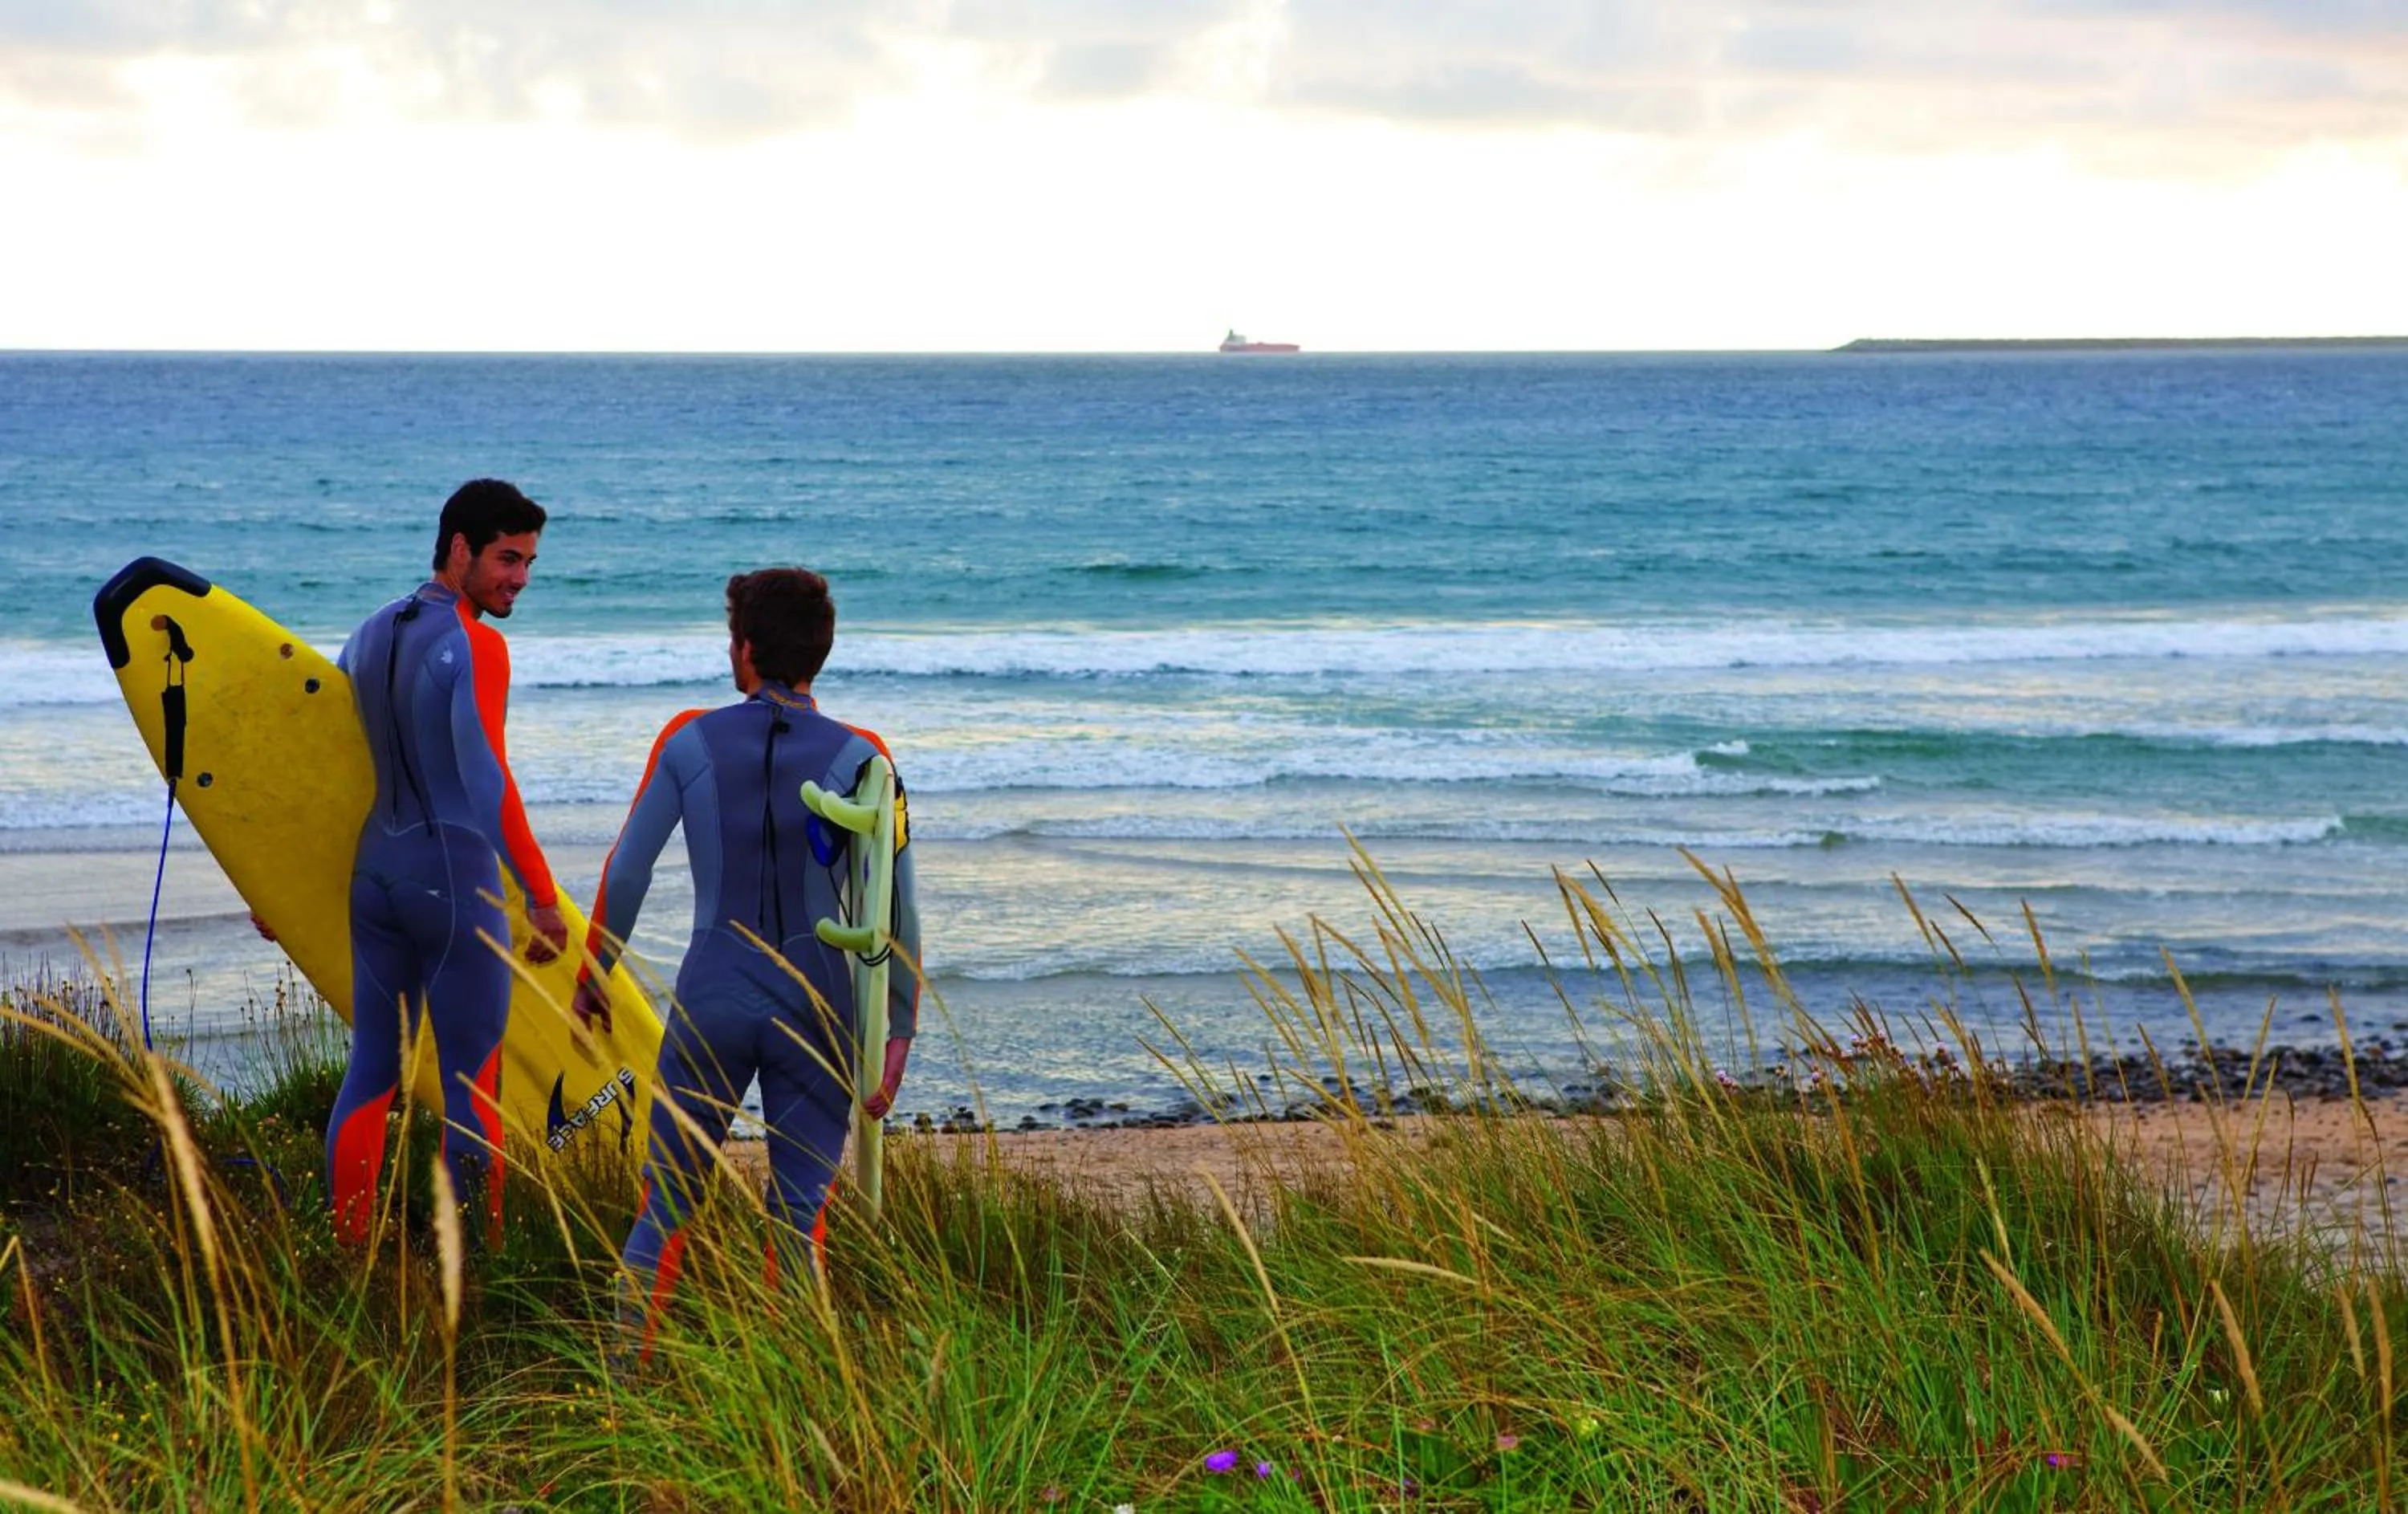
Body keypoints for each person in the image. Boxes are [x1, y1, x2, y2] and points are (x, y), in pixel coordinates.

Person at [570, 567, 919, 1356]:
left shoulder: (687, 738)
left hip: (712, 995)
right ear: (819, 656)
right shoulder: (869, 757)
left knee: (667, 1203)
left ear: (746, 648)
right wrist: (898, 1027)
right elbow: (898, 903)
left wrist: (596, 976)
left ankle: (624, 1384)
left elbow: (627, 869)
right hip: (818, 1005)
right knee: (798, 1213)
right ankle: (792, 1392)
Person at [323, 478, 569, 1247]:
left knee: (372, 1071)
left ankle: (347, 1249)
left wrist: (286, 879)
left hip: (376, 877)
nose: (520, 579)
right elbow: (485, 778)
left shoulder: (366, 634)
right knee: (473, 1084)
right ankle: (478, 1264)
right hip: (454, 887)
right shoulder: (476, 645)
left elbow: (328, 770)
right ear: (459, 548)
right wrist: (541, 894)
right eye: (506, 558)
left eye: (528, 563)